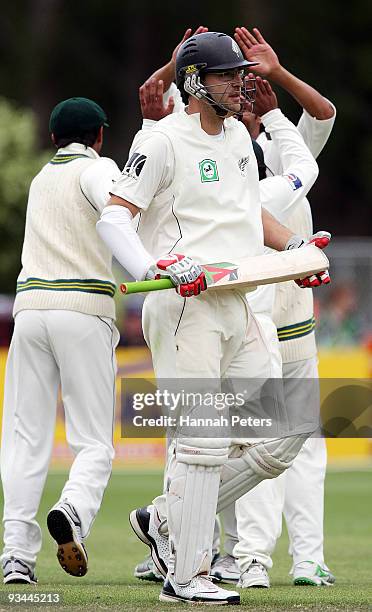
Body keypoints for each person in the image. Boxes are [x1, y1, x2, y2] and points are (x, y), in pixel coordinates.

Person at [97, 32, 330, 605]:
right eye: (228, 75)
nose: (241, 82)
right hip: (184, 307)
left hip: (239, 299)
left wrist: (297, 250)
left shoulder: (235, 141)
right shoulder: (161, 141)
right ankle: (187, 576)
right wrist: (160, 266)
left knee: (286, 434)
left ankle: (165, 520)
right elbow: (114, 218)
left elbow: (247, 217)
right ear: (197, 82)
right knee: (203, 443)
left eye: (241, 74)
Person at [212, 27, 336, 588]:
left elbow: (324, 110)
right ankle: (241, 556)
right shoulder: (221, 158)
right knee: (250, 437)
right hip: (253, 318)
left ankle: (304, 558)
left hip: (295, 318)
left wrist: (278, 76)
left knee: (302, 442)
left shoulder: (289, 147)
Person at [1, 97, 121, 584]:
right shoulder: (100, 169)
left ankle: (15, 556)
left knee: (25, 440)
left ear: (52, 138)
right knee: (93, 442)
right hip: (83, 308)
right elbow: (120, 212)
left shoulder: (39, 178)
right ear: (99, 137)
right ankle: (72, 510)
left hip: (29, 311)